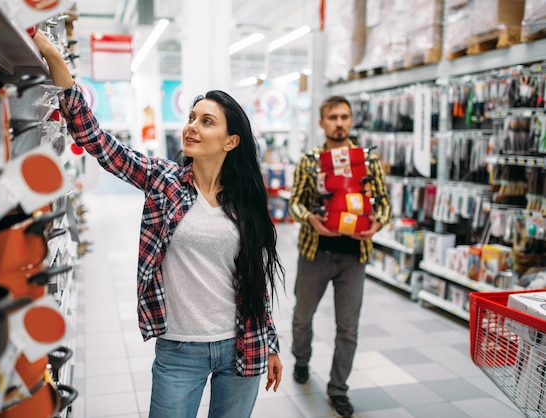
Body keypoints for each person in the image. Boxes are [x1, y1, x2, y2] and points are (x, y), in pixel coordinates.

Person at [32, 31, 285, 418]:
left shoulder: (245, 200)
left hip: (243, 344)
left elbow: (254, 279)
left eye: (206, 121)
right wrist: (54, 58)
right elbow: (98, 142)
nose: (191, 127)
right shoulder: (164, 181)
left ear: (231, 141)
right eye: (190, 118)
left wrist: (271, 343)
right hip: (180, 348)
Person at [288, 95, 391, 417]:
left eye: (344, 117)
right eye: (332, 117)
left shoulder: (368, 162)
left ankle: (338, 389)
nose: (339, 123)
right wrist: (311, 220)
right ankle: (301, 360)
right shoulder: (310, 161)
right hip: (314, 252)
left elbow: (384, 203)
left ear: (351, 120)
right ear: (322, 122)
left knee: (348, 327)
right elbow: (295, 202)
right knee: (303, 316)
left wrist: (378, 222)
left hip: (353, 257)